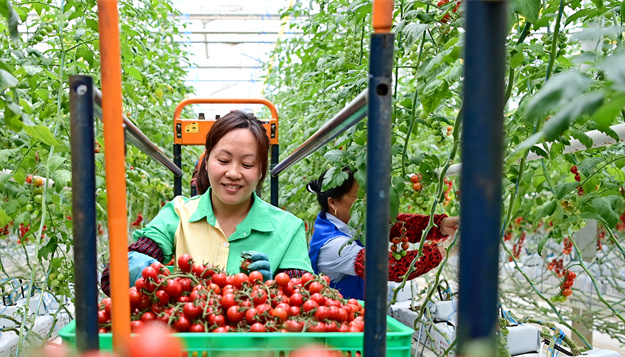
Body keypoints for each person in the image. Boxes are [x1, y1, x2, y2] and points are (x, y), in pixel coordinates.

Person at [101, 110, 312, 295]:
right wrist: (135, 269)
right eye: (223, 161)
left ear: (261, 171)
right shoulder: (178, 214)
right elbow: (112, 279)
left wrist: (273, 289)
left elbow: (304, 303)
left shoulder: (289, 229)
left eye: (247, 164)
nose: (233, 173)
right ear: (207, 161)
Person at [307, 168, 459, 300]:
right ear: (332, 202)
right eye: (357, 195)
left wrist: (441, 225)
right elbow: (389, 266)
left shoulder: (349, 219)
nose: (365, 200)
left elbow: (396, 225)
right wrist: (444, 249)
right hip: (341, 324)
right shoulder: (334, 246)